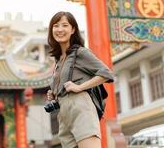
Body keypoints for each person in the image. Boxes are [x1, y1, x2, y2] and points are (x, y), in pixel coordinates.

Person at [46, 11, 114, 148]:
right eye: (56, 26)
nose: (59, 29)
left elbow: (106, 73)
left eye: (65, 25)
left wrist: (79, 87)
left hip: (80, 108)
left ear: (73, 30)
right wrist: (54, 94)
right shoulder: (58, 60)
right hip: (64, 114)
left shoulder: (80, 53)